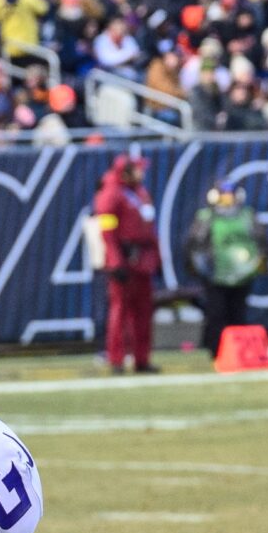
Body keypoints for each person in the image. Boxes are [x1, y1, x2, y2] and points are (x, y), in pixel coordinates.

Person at [95, 152, 161, 374]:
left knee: (143, 312)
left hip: (142, 259)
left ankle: (142, 358)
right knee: (120, 312)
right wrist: (115, 261)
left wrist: (157, 259)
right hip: (124, 257)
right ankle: (117, 359)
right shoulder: (111, 194)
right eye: (138, 168)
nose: (142, 172)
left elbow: (150, 229)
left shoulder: (140, 193)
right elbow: (107, 232)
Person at [187, 177, 264, 356]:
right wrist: (204, 269)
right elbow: (194, 246)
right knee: (216, 314)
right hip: (216, 274)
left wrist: (257, 263)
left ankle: (240, 352)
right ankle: (217, 350)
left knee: (238, 314)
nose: (227, 199)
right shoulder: (206, 217)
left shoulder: (247, 215)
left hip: (243, 274)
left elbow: (261, 243)